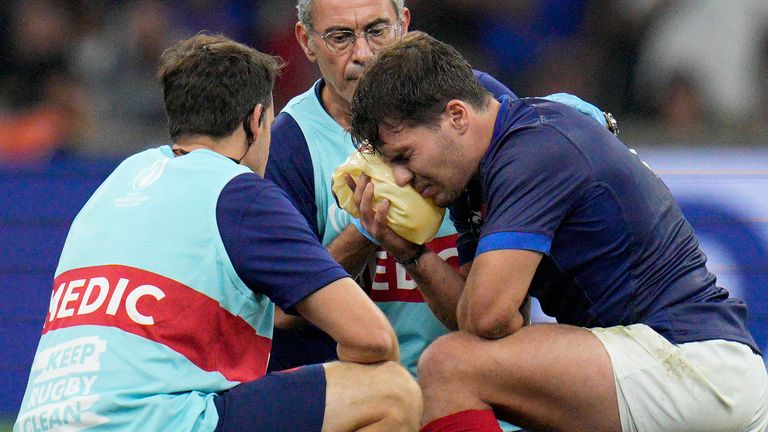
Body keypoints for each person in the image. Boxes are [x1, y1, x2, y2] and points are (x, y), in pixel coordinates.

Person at [348, 31, 768, 432]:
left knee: (449, 364)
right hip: (666, 365)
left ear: (457, 115)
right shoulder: (479, 176)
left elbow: (488, 317)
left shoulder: (532, 150)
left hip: (694, 363)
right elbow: (490, 321)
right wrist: (410, 253)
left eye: (405, 156)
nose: (401, 178)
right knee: (464, 359)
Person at [13, 33, 421, 432]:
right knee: (390, 390)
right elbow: (373, 339)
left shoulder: (118, 180)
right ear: (257, 120)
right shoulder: (239, 193)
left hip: (40, 420)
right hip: (156, 422)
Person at [265, 0, 611, 380]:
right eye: (340, 37)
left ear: (404, 23)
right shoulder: (291, 145)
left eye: (377, 30)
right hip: (365, 397)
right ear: (306, 41)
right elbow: (279, 315)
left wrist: (568, 127)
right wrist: (365, 233)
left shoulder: (465, 104)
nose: (362, 54)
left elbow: (501, 316)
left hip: (468, 382)